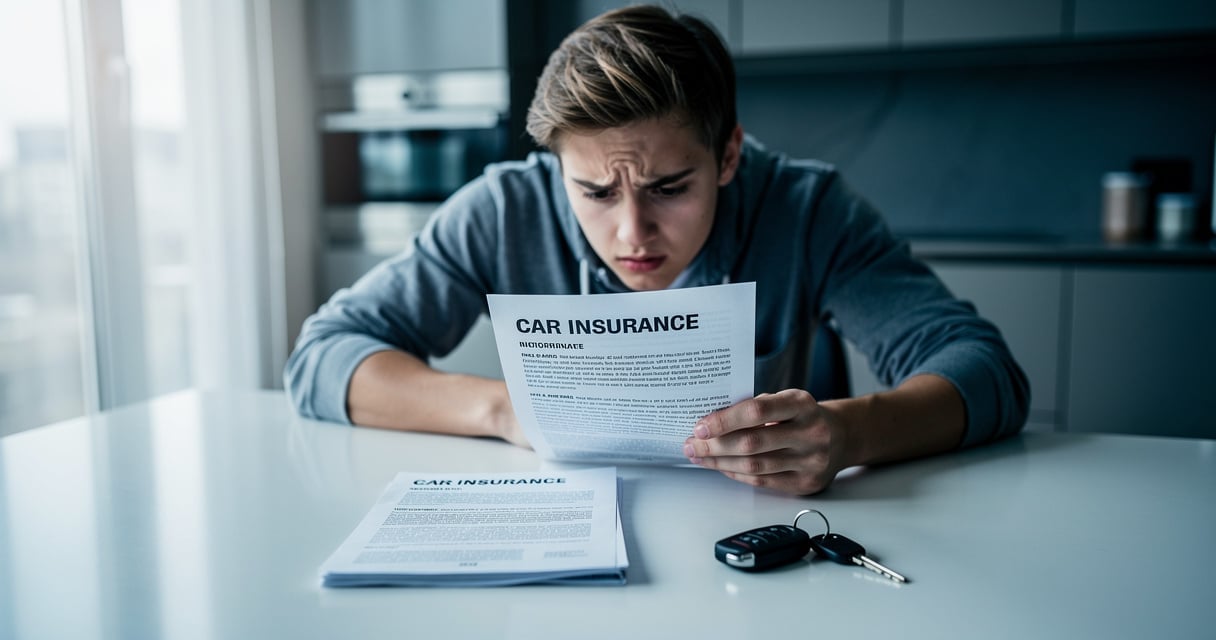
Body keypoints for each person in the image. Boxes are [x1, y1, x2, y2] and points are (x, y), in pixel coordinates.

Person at [285, 5, 1029, 496]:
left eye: (670, 187)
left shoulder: (805, 209)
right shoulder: (504, 208)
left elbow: (984, 371)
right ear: (557, 168)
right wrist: (508, 411)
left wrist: (846, 432)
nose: (632, 233)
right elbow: (322, 356)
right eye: (595, 192)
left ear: (728, 155)